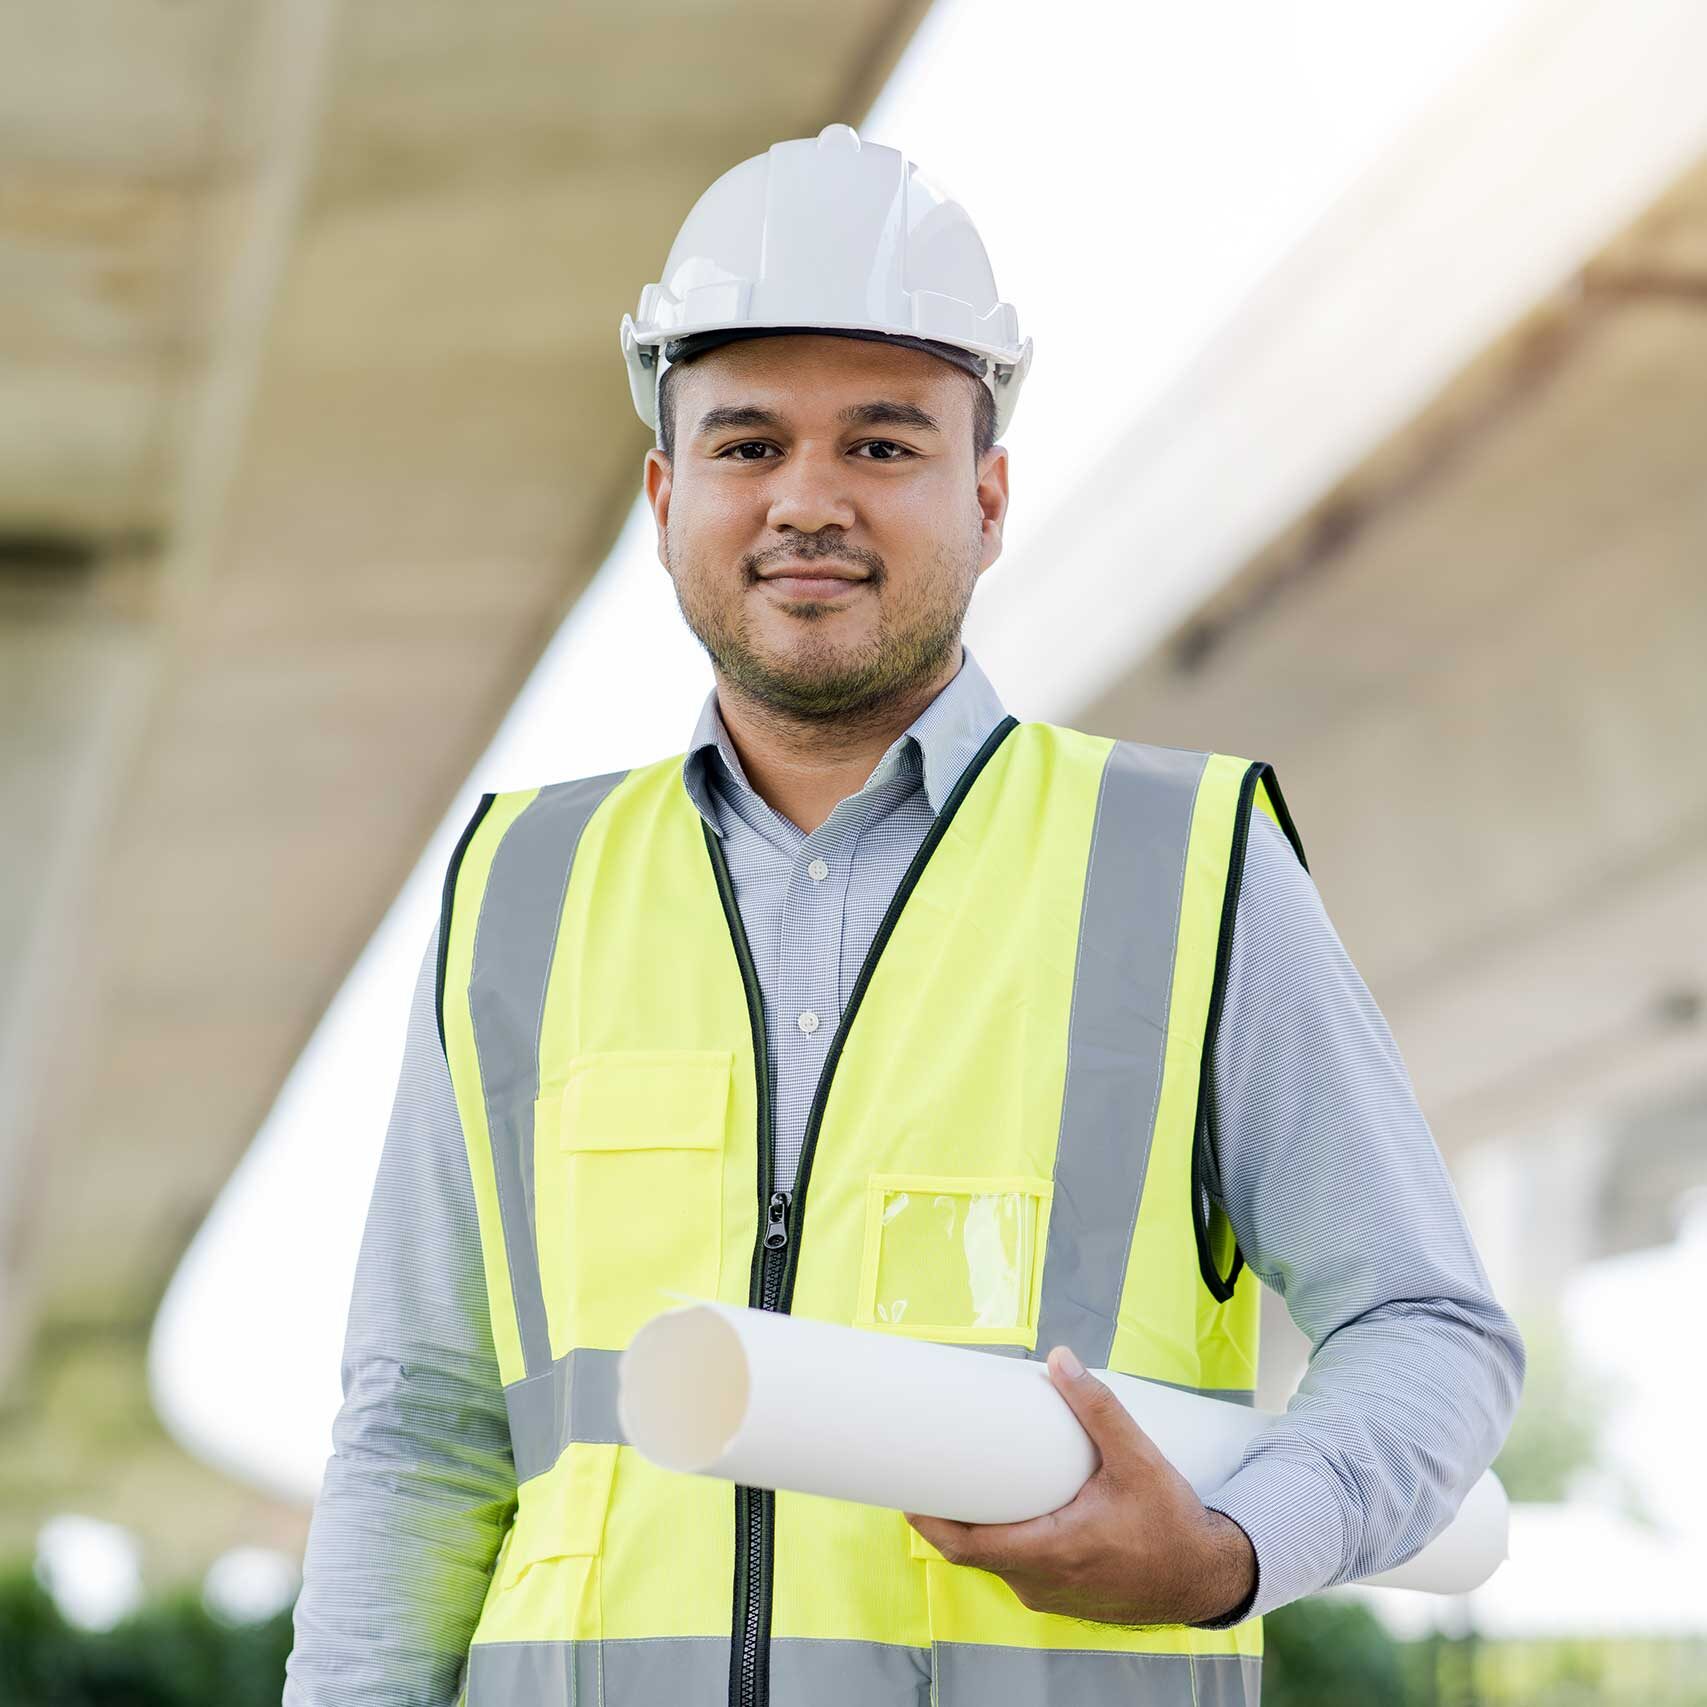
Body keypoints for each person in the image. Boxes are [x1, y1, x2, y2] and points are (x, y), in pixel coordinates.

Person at [284, 125, 1523, 1707]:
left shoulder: (1188, 862)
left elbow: (1429, 1325)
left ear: (989, 495)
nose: (808, 499)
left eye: (881, 445)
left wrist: (1229, 1547)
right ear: (665, 496)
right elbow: (421, 1425)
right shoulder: (522, 885)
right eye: (745, 446)